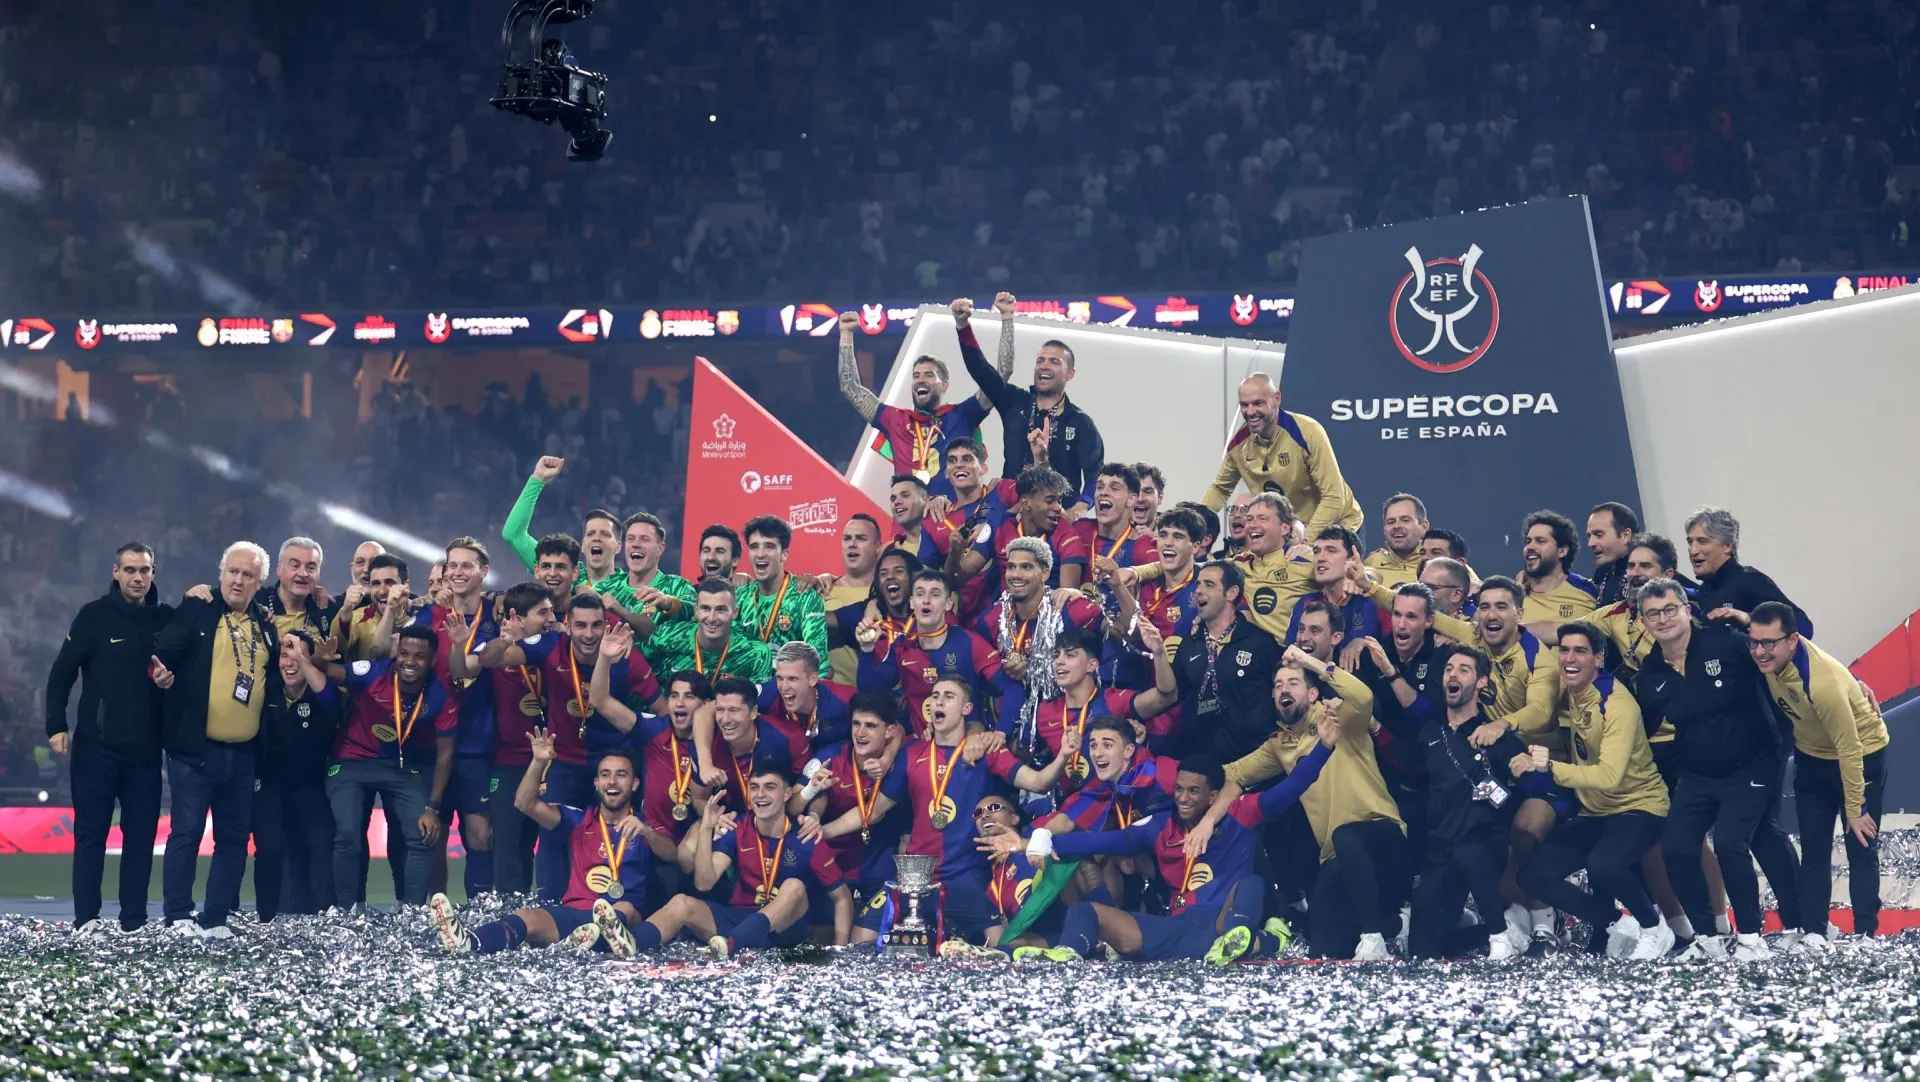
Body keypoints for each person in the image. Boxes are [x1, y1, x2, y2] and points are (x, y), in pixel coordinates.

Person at [1009, 725, 1338, 966]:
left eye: (1193, 792)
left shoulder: (1240, 814)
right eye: (1179, 789)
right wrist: (1037, 839)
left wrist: (1323, 747)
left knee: (1251, 884)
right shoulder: (1159, 827)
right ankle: (1068, 954)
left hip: (1222, 925)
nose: (1182, 798)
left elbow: (1290, 788)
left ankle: (1245, 942)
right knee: (1087, 912)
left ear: (1213, 797)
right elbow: (1095, 839)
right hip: (1172, 928)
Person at [819, 676, 1072, 946]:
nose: (938, 700)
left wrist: (1063, 756)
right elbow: (873, 810)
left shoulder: (987, 751)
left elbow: (1039, 782)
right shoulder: (912, 753)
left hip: (966, 877)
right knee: (862, 937)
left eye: (948, 696)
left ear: (966, 709)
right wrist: (823, 831)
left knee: (1001, 946)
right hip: (915, 878)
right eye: (935, 695)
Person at [1188, 652, 1398, 960]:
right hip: (1336, 856)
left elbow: (1363, 696)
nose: (1284, 690)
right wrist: (1207, 817)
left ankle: (1374, 935)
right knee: (1325, 948)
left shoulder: (1339, 717)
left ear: (1313, 694)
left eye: (1293, 683)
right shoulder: (1279, 744)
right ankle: (1393, 925)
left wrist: (1307, 660)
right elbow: (1232, 775)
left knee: (1346, 835)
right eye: (1277, 685)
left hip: (1383, 838)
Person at [1634, 579, 1800, 962]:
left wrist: (1849, 685)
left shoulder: (1728, 644)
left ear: (1687, 610)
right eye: (1653, 614)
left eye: (1670, 609)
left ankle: (1752, 938)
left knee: (1730, 843)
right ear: (1643, 621)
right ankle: (1708, 938)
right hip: (1696, 774)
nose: (1663, 619)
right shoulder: (1651, 672)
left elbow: (1782, 664)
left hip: (1752, 764)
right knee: (1675, 848)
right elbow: (1640, 726)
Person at [469, 593, 659, 901]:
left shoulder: (626, 658)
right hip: (565, 762)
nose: (589, 634)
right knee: (553, 832)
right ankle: (551, 904)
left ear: (605, 625)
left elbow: (662, 713)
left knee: (627, 832)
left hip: (612, 764)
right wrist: (504, 641)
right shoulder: (548, 646)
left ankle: (630, 904)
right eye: (580, 625)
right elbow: (487, 661)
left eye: (597, 625)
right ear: (567, 626)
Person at [1512, 622, 1672, 961]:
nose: (1569, 658)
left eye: (1580, 651)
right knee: (1533, 876)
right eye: (1565, 650)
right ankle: (1617, 923)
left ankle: (1654, 927)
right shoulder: (1573, 689)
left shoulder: (1616, 704)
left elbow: (1610, 776)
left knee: (1604, 866)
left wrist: (1549, 767)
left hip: (1639, 805)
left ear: (1598, 658)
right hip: (1594, 811)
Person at [45, 541, 174, 936]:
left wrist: (172, 679)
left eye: (145, 570)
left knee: (140, 842)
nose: (138, 578)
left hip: (146, 754)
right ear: (116, 572)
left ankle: (133, 923)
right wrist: (55, 726)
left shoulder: (166, 620)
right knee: (90, 837)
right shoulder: (93, 617)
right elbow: (61, 674)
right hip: (95, 751)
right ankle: (86, 921)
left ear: (153, 574)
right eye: (131, 570)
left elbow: (186, 666)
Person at [153, 541, 281, 938]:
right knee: (187, 833)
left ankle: (215, 919)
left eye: (248, 575)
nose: (239, 580)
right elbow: (163, 654)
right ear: (221, 574)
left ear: (260, 583)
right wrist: (159, 674)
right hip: (195, 750)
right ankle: (177, 917)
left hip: (243, 754)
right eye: (233, 572)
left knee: (233, 840)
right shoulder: (198, 607)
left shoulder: (265, 624)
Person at [430, 737, 657, 956]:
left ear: (635, 784)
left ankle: (595, 940)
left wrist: (648, 832)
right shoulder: (578, 820)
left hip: (624, 918)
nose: (613, 782)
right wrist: (538, 762)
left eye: (621, 775)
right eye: (605, 775)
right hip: (575, 914)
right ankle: (470, 942)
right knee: (527, 917)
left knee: (625, 908)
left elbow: (673, 854)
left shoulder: (644, 825)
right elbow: (524, 803)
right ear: (596, 784)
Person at [1748, 601, 1890, 951]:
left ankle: (1865, 934)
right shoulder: (1765, 655)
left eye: (1770, 644)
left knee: (1861, 842)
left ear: (1793, 640)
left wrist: (1855, 809)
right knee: (1814, 847)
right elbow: (1744, 635)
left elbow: (1850, 748)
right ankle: (1813, 931)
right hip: (1812, 757)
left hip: (1861, 753)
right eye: (1755, 642)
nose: (1760, 652)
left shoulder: (1821, 682)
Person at [628, 763, 852, 958]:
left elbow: (842, 897)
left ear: (787, 794)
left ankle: (732, 945)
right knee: (681, 903)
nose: (760, 794)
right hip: (742, 920)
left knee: (794, 886)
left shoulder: (805, 835)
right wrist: (706, 828)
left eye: (770, 787)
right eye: (754, 787)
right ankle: (631, 943)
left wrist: (841, 950)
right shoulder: (739, 828)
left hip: (785, 931)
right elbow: (704, 883)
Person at [1405, 645, 1530, 960]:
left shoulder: (1494, 735)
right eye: (1449, 668)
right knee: (1423, 951)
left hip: (1484, 844)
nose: (1453, 674)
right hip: (1441, 850)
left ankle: (1500, 934)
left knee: (1469, 849)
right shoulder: (1432, 732)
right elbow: (1405, 769)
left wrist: (1533, 763)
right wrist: (1375, 729)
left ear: (1482, 682)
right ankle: (1495, 927)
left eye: (1463, 669)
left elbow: (1530, 782)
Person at [326, 625, 459, 910]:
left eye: (419, 656)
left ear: (433, 660)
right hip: (352, 760)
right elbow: (330, 671)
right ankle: (344, 914)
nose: (410, 662)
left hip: (400, 767)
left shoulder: (440, 694)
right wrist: (319, 658)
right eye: (404, 654)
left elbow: (445, 756)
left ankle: (411, 914)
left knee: (424, 836)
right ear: (396, 654)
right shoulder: (373, 672)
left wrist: (432, 808)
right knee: (348, 834)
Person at [952, 299, 1104, 518]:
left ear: (1069, 374)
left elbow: (1095, 475)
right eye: (1040, 360)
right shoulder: (1014, 402)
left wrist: (1081, 506)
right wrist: (962, 326)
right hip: (1008, 515)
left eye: (1054, 361)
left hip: (1056, 518)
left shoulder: (1080, 422)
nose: (1044, 365)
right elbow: (981, 370)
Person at [450, 582, 555, 895]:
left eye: (550, 610)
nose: (551, 617)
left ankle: (553, 906)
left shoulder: (557, 644)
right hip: (508, 760)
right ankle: (512, 910)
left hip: (552, 761)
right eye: (543, 612)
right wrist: (499, 640)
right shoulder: (493, 646)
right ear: (517, 617)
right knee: (508, 840)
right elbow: (463, 670)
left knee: (548, 837)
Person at [588, 663, 714, 911]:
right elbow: (600, 701)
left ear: (706, 706)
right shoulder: (655, 729)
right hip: (656, 838)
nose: (679, 703)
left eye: (689, 697)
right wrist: (604, 656)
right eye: (674, 696)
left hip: (702, 838)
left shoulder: (719, 738)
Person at [837, 302, 996, 498]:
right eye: (916, 375)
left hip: (953, 520)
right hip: (909, 523)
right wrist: (846, 335)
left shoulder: (961, 415)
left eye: (929, 375)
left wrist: (964, 327)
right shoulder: (895, 419)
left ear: (944, 384)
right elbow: (850, 388)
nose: (921, 379)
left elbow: (994, 383)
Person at [795, 691, 910, 942]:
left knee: (862, 945)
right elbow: (795, 802)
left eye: (871, 726)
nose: (860, 733)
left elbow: (875, 811)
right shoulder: (830, 756)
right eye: (856, 724)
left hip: (877, 871)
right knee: (817, 939)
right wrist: (813, 808)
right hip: (832, 869)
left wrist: (823, 831)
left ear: (889, 731)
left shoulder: (901, 759)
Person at [973, 538, 1105, 743]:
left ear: (1044, 573)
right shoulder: (991, 618)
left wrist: (1033, 671)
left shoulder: (1069, 609)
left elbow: (1119, 633)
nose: (1016, 574)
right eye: (1011, 567)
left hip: (1070, 720)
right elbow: (983, 678)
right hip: (1012, 720)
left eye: (1026, 567)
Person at [1201, 372, 1362, 536]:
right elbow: (1220, 489)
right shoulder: (1239, 444)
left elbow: (1334, 496)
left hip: (1339, 525)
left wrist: (1306, 541)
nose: (1250, 412)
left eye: (1258, 403)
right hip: (1290, 534)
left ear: (1276, 398)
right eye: (1244, 405)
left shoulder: (1307, 432)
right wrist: (1193, 523)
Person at [252, 630, 340, 921]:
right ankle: (266, 916)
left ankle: (323, 915)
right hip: (270, 784)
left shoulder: (322, 694)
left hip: (309, 785)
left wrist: (305, 660)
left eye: (297, 654)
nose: (289, 662)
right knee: (270, 847)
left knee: (320, 841)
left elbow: (328, 696)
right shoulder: (268, 689)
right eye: (284, 653)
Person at [858, 569, 1002, 736]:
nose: (926, 601)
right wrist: (867, 649)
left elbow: (1008, 687)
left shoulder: (970, 643)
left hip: (966, 745)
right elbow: (871, 691)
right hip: (922, 748)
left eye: (935, 594)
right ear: (912, 602)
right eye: (920, 594)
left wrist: (1001, 732)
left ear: (948, 604)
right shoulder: (902, 646)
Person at [1170, 561, 1286, 763]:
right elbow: (1174, 694)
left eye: (1209, 584)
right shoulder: (1190, 643)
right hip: (1204, 762)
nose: (1198, 591)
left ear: (1231, 593)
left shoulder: (1260, 643)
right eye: (1198, 584)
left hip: (1253, 760)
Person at [501, 456, 631, 604]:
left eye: (605, 534)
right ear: (583, 544)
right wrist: (537, 480)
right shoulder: (561, 568)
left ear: (618, 547)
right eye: (590, 533)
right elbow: (514, 534)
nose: (596, 538)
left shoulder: (629, 588)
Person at [954, 466, 1089, 593]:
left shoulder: (1067, 536)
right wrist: (954, 552)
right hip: (1004, 612)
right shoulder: (1001, 525)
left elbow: (1067, 598)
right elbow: (958, 579)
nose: (1058, 508)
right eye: (1049, 501)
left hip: (1047, 614)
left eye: (1059, 501)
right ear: (1025, 504)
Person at [1685, 507, 1812, 634]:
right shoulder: (1705, 590)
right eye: (1690, 542)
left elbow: (1804, 627)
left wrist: (1749, 618)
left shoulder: (1750, 581)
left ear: (1728, 546)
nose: (1693, 550)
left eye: (1702, 541)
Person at [641, 578, 774, 686]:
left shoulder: (756, 653)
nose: (711, 618)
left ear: (734, 613)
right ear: (696, 610)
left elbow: (757, 707)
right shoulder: (666, 636)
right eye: (705, 608)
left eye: (720, 610)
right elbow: (641, 677)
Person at [692, 677, 796, 812]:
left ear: (753, 712)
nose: (725, 719)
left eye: (733, 710)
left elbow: (799, 789)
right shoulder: (706, 745)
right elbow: (699, 799)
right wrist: (717, 817)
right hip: (732, 820)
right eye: (720, 710)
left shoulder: (786, 739)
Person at [735, 515, 831, 659]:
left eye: (769, 546)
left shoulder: (804, 595)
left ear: (784, 555)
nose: (760, 554)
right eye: (754, 547)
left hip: (791, 681)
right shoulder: (740, 598)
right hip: (749, 681)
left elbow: (818, 659)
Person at [1286, 526, 1387, 652]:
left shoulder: (1374, 602)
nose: (1320, 558)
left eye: (1331, 550)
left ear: (1353, 560)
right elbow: (1291, 652)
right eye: (1317, 551)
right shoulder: (1306, 603)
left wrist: (1364, 643)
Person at [822, 514, 883, 685]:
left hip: (876, 699)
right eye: (847, 538)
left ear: (878, 546)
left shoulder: (888, 596)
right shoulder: (823, 589)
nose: (852, 544)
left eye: (861, 538)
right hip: (829, 699)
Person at [614, 511, 696, 638]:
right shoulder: (608, 587)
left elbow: (694, 611)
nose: (635, 544)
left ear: (660, 549)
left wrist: (668, 603)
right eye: (630, 539)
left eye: (644, 539)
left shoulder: (678, 586)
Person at [1518, 510, 1599, 636]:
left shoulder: (1587, 592)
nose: (1530, 547)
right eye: (1528, 541)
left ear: (1562, 551)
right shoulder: (1514, 594)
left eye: (1540, 541)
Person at [257, 536, 339, 645]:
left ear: (318, 574)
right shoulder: (255, 602)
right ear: (279, 570)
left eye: (310, 568)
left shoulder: (328, 609)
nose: (303, 574)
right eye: (295, 565)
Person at [1365, 493, 1430, 587]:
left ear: (1424, 527)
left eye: (1405, 520)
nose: (1396, 526)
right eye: (1391, 522)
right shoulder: (1372, 562)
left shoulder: (1435, 563)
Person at [1585, 502, 1641, 607]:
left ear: (1625, 535)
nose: (1590, 543)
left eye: (1599, 535)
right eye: (1589, 536)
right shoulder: (1601, 575)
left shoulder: (1653, 573)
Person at [1129, 463, 1166, 532]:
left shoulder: (1173, 534)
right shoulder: (1110, 531)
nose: (1140, 499)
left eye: (1147, 492)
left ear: (1160, 498)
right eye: (1135, 491)